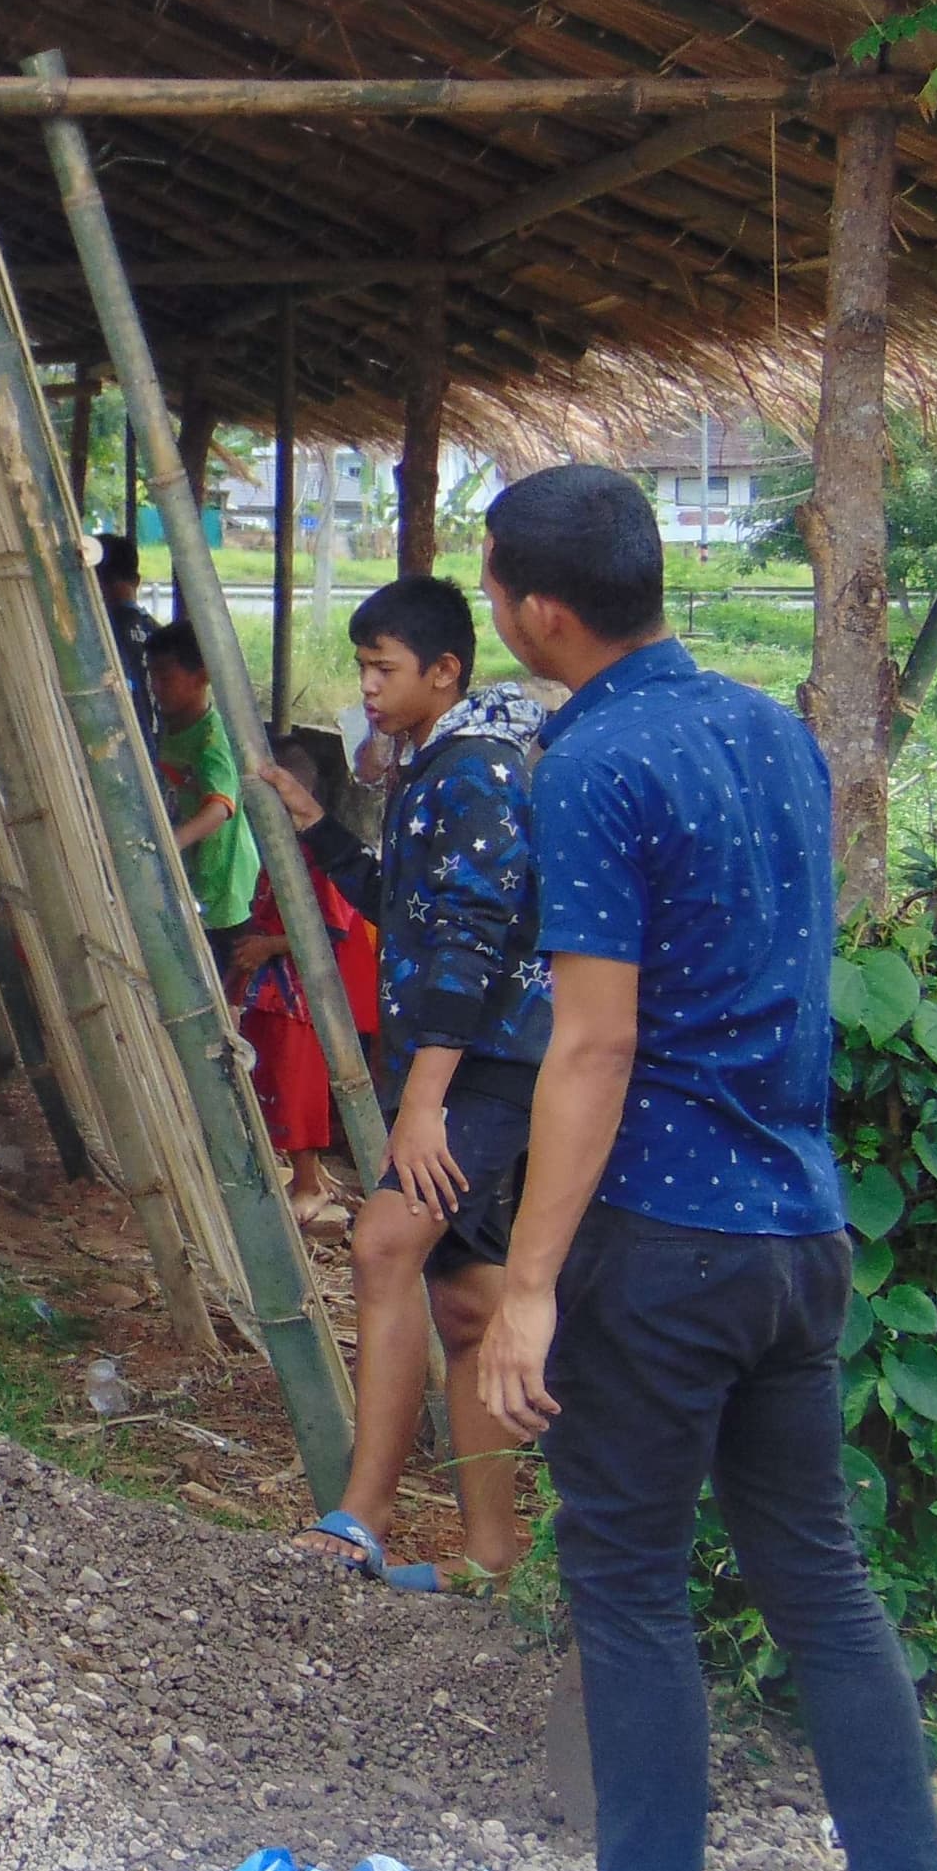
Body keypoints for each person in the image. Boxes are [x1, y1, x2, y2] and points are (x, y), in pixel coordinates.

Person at [470, 465, 937, 1871]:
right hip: (798, 1231)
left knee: (624, 1573)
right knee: (820, 1577)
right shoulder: (773, 732)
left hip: (665, 1237)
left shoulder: (590, 765)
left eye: (493, 588)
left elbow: (595, 1045)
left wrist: (530, 1280)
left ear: (539, 611)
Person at [260, 571, 552, 1589]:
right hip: (466, 1064)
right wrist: (316, 825)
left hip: (485, 1066)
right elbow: (406, 901)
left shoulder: (476, 770)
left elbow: (469, 942)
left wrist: (424, 1100)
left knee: (383, 1245)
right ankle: (492, 1556)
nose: (369, 690)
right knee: (464, 1307)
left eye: (384, 670)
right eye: (364, 669)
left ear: (445, 671)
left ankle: (360, 1516)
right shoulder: (439, 765)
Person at [227, 726, 381, 1233]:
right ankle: (293, 1177)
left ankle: (311, 1183)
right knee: (266, 1078)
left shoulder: (323, 852)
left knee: (298, 1087)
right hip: (268, 989)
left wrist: (268, 946)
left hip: (302, 994)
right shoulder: (278, 846)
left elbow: (334, 925)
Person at [147, 621, 260, 967]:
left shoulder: (213, 740)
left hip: (221, 884)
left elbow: (219, 808)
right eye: (152, 676)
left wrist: (169, 843)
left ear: (202, 677)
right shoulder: (167, 727)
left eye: (166, 678)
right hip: (191, 876)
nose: (155, 687)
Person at [96, 533, 159, 746]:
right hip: (155, 743)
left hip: (118, 744)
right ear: (137, 580)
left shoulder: (98, 634)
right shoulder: (157, 632)